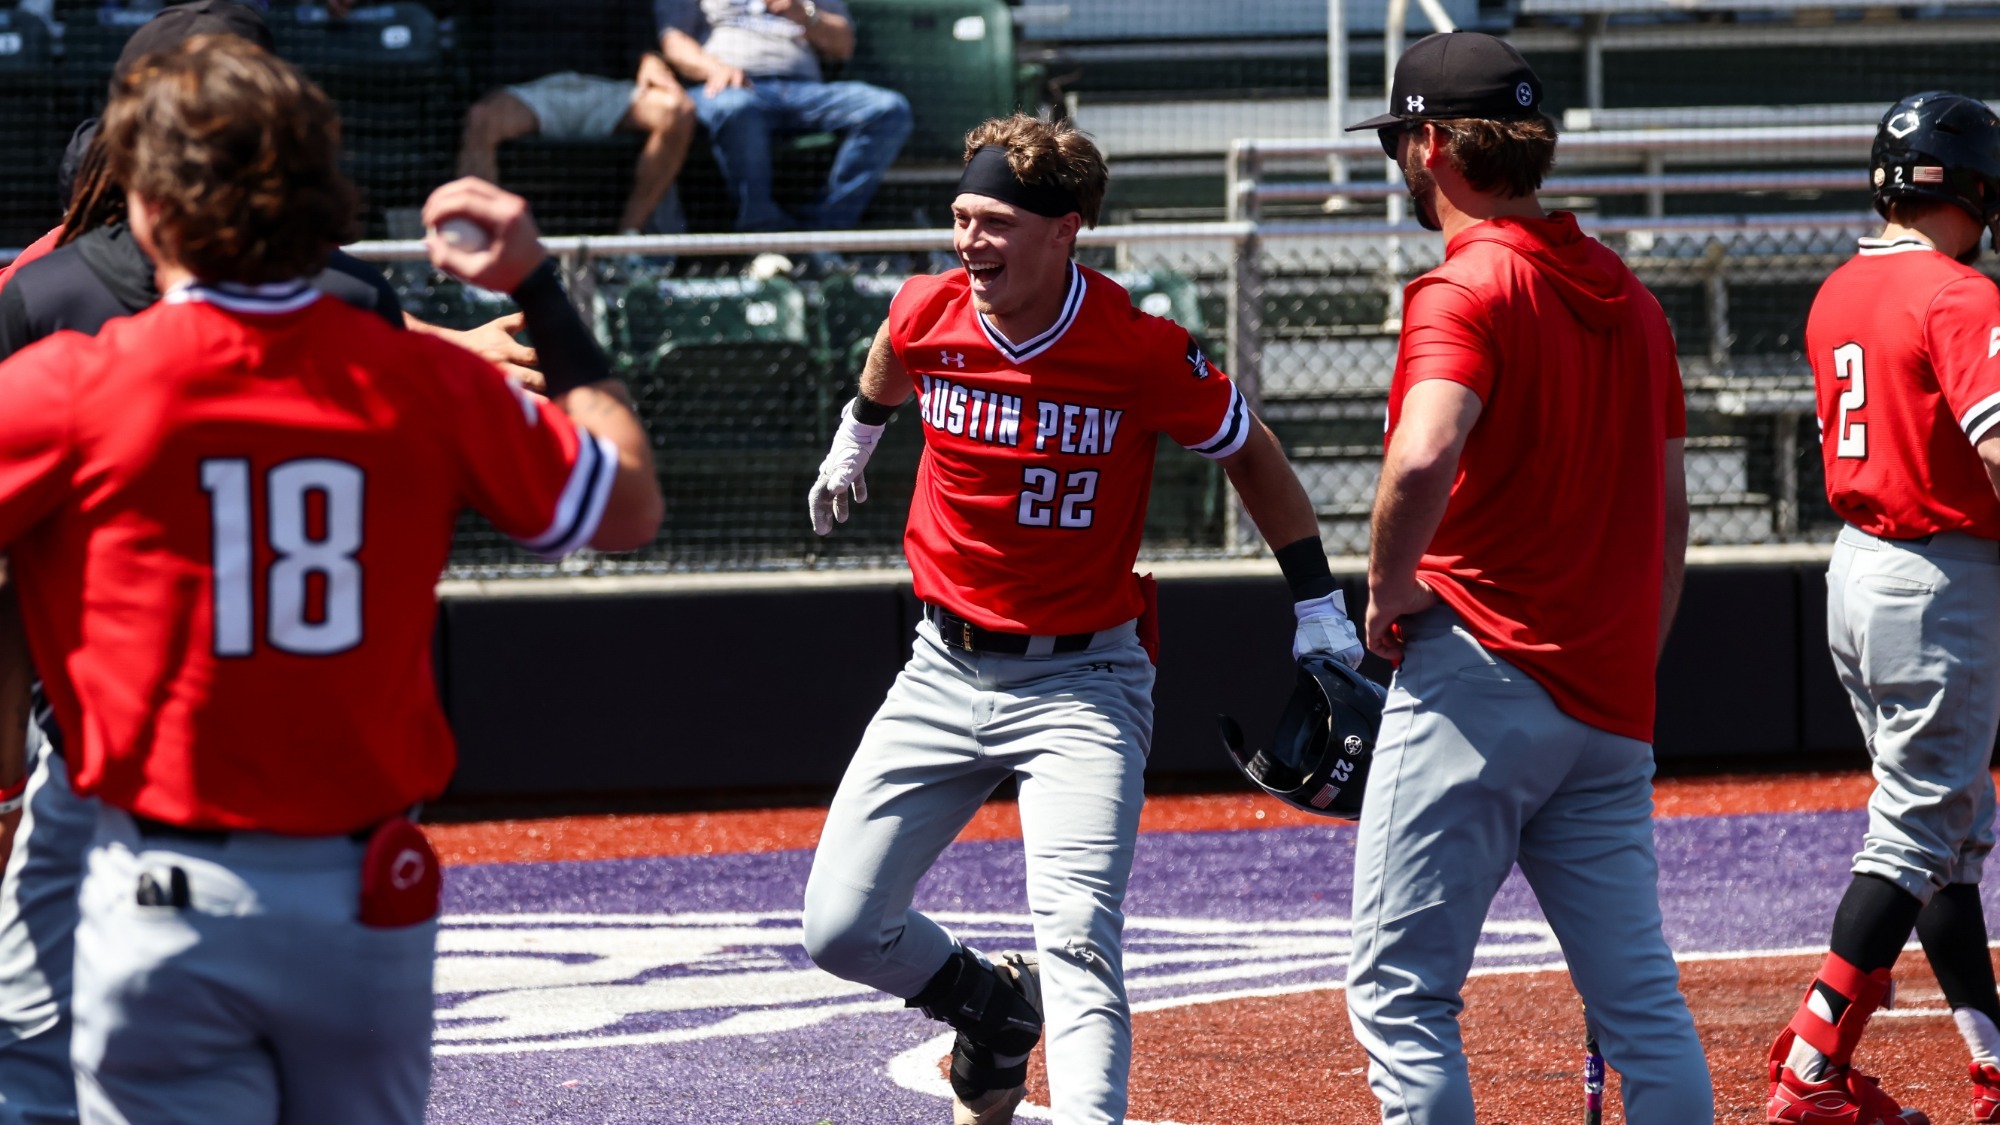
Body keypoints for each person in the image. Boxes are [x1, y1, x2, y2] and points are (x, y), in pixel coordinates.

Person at [0, 34, 660, 1123]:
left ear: (150, 209)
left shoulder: (72, 384)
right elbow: (628, 505)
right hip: (364, 896)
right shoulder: (423, 379)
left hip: (161, 884)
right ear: (327, 197)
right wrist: (538, 285)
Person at [799, 112, 1361, 1125]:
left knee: (1078, 936)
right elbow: (893, 346)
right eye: (961, 217)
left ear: (1066, 231)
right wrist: (856, 435)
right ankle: (991, 1008)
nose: (969, 243)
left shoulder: (1137, 348)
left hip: (1082, 684)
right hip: (941, 667)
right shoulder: (932, 307)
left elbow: (1250, 451)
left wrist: (1317, 602)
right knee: (838, 928)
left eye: (995, 224)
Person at [1339, 31, 1712, 1123]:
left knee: (1400, 994)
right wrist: (1623, 665)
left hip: (1479, 674)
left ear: (1432, 145)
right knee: (1639, 1004)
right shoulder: (1632, 301)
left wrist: (1383, 586)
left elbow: (1420, 452)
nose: (1398, 161)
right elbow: (1672, 520)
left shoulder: (1463, 285)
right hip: (1606, 696)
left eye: (1401, 140)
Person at [1762, 91, 2000, 1125]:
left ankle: (1992, 1056)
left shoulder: (1833, 292)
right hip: (1934, 575)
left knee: (1939, 832)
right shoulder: (1958, 295)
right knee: (1914, 835)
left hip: (1857, 567)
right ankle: (1811, 1066)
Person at [659, 0, 911, 232]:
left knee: (888, 109)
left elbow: (843, 45)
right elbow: (673, 41)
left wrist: (805, 14)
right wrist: (713, 68)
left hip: (804, 90)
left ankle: (823, 232)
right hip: (729, 89)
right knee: (737, 108)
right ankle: (763, 236)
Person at [454, 0, 695, 235]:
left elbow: (639, 28)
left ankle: (626, 244)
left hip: (605, 90)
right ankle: (490, 248)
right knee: (481, 120)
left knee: (676, 112)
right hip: (530, 90)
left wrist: (648, 58)